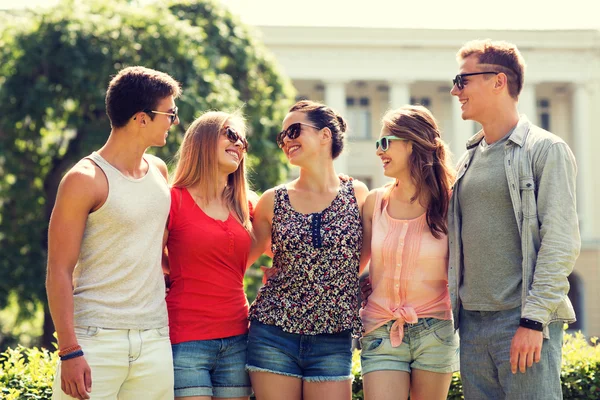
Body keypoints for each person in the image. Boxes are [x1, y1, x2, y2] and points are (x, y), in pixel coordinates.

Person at [449, 39, 580, 399]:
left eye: (462, 80)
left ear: (498, 81)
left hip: (521, 320)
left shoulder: (545, 149)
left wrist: (533, 320)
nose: (454, 90)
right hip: (472, 326)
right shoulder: (467, 160)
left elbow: (561, 241)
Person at [46, 66, 181, 400]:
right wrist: (69, 350)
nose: (174, 121)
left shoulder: (160, 172)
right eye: (170, 113)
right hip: (94, 340)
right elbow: (58, 270)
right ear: (141, 118)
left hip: (153, 337)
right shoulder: (84, 179)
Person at [246, 100, 369, 400]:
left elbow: (363, 258)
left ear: (325, 135)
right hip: (273, 334)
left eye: (295, 130)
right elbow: (236, 261)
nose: (287, 139)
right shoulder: (272, 200)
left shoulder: (359, 195)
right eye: (282, 136)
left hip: (333, 338)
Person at [359, 105, 458, 400]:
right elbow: (354, 264)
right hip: (380, 328)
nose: (379, 151)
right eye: (377, 143)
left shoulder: (451, 203)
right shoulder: (374, 203)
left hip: (436, 330)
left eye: (385, 142)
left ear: (412, 143)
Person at [163, 111, 254, 400]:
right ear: (202, 140)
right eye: (230, 134)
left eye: (243, 140)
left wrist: (329, 178)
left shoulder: (248, 205)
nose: (239, 144)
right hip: (186, 340)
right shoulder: (172, 199)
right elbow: (147, 261)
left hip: (239, 338)